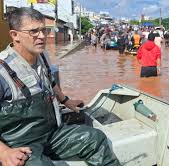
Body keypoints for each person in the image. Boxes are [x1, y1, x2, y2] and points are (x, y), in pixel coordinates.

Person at [0, 8, 121, 166]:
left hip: (52, 134)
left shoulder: (42, 56)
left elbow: (50, 82)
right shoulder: (3, 70)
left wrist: (66, 101)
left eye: (44, 30)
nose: (42, 36)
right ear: (15, 35)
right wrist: (4, 152)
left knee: (95, 139)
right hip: (21, 144)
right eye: (34, 31)